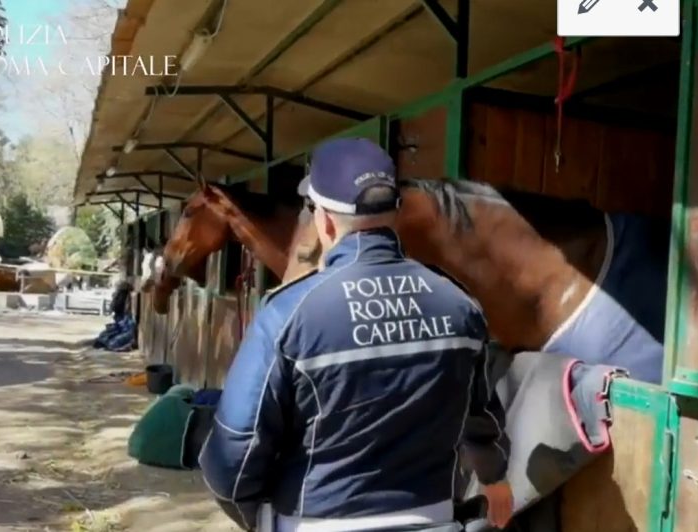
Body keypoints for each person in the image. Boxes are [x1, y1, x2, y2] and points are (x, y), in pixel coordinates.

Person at [199, 137, 513, 531]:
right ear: (394, 212)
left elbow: (234, 455)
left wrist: (258, 519)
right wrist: (494, 477)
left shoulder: (288, 314)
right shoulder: (459, 305)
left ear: (324, 221)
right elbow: (481, 417)